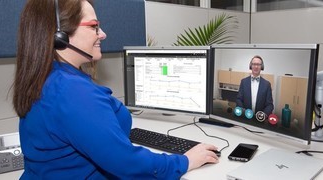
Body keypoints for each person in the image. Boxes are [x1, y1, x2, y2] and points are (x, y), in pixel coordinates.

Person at [12, 0, 219, 179]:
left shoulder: (46, 78)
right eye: (94, 26)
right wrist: (184, 161)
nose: (102, 34)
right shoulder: (73, 92)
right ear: (61, 36)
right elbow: (127, 164)